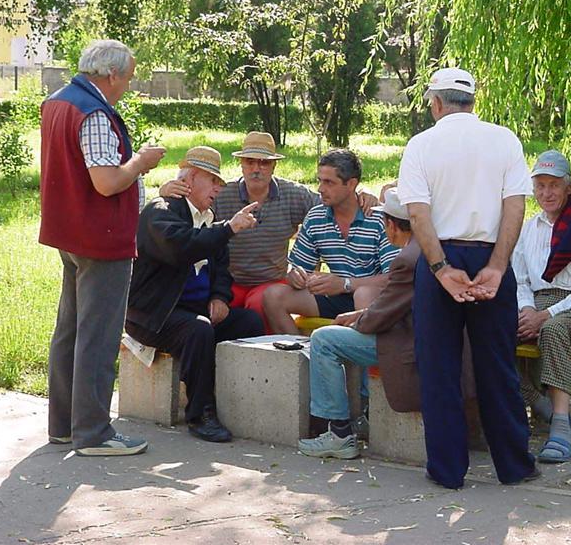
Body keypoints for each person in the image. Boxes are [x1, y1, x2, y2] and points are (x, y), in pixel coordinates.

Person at [397, 67, 538, 488]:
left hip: (441, 255)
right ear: (472, 102)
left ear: (436, 103)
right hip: (491, 255)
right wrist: (497, 266)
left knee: (439, 367)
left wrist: (441, 269)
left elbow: (418, 214)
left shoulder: (421, 145)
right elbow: (515, 207)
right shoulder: (504, 139)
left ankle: (447, 470)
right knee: (498, 364)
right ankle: (514, 465)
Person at [39, 39, 166, 456]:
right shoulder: (93, 112)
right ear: (111, 75)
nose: (127, 86)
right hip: (101, 235)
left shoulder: (59, 101)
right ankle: (93, 432)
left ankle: (64, 425)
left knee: (71, 328)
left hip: (70, 230)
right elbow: (108, 181)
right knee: (98, 333)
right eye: (128, 78)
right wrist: (141, 162)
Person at [159, 132, 378, 330]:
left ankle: (275, 364)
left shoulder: (294, 195)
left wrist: (362, 194)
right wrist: (166, 191)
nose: (256, 169)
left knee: (259, 303)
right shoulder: (221, 193)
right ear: (241, 164)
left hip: (270, 281)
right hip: (229, 281)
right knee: (208, 306)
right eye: (250, 161)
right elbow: (186, 216)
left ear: (274, 166)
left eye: (264, 163)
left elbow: (333, 201)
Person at [125, 146, 264, 443]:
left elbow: (222, 268)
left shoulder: (209, 217)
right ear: (190, 178)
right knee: (198, 330)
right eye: (213, 181)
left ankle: (245, 404)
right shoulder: (160, 210)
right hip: (156, 315)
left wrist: (219, 297)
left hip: (192, 310)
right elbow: (182, 246)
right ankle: (201, 414)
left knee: (249, 322)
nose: (218, 188)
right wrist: (228, 228)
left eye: (220, 183)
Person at [297, 188, 420, 459]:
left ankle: (339, 432)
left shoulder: (405, 260)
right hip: (411, 334)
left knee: (324, 339)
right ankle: (356, 416)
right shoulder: (423, 249)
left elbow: (388, 313)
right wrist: (361, 315)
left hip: (405, 343)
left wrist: (359, 320)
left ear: (391, 225)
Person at [512, 150, 571, 463]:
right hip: (535, 305)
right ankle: (535, 401)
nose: (546, 193)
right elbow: (520, 278)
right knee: (488, 330)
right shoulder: (529, 227)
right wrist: (526, 310)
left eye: (554, 185)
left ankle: (561, 427)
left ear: (568, 186)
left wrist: (546, 314)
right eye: (540, 186)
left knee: (552, 330)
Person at [263, 148, 398, 334]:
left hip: (372, 298)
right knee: (273, 296)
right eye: (320, 180)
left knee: (363, 294)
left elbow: (395, 278)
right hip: (333, 296)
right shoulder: (316, 217)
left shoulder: (378, 220)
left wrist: (345, 284)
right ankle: (301, 357)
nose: (320, 189)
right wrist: (296, 275)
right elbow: (297, 266)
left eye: (329, 182)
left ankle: (365, 360)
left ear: (351, 184)